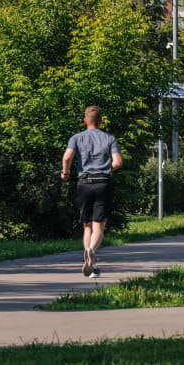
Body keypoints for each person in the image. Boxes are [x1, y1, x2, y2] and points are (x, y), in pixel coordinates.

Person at [61, 105, 123, 278]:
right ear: (101, 121)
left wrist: (65, 172)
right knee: (99, 226)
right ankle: (92, 252)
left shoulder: (76, 138)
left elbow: (67, 157)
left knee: (87, 226)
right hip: (103, 183)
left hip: (84, 183)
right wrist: (106, 169)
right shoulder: (110, 138)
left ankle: (90, 263)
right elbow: (117, 162)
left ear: (85, 120)